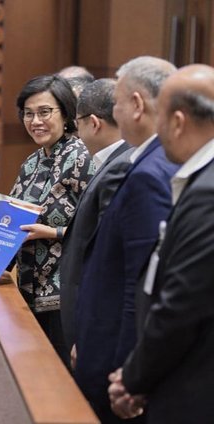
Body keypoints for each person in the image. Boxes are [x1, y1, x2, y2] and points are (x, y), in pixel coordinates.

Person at [73, 56, 179, 423]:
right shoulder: (149, 160)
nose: (113, 111)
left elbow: (142, 283)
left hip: (115, 369)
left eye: (116, 101)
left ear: (136, 104)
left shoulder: (152, 172)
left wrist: (127, 373)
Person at [108, 64, 214, 423]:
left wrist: (134, 378)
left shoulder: (207, 194)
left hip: (192, 390)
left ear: (179, 122)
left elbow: (179, 306)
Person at [9, 74, 94, 363]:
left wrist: (53, 233)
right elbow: (10, 216)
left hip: (63, 294)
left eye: (45, 112)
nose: (35, 121)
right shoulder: (31, 162)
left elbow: (97, 227)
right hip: (29, 288)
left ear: (67, 113)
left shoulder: (82, 157)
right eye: (29, 114)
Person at [60, 78, 133, 354]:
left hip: (94, 327)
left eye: (76, 123)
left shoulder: (120, 167)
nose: (76, 133)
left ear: (93, 122)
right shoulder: (111, 161)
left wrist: (89, 333)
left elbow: (107, 259)